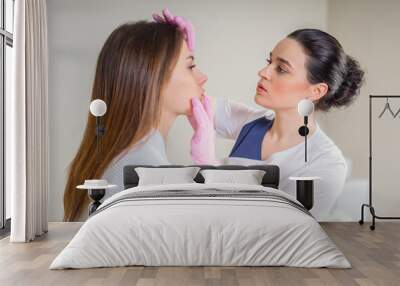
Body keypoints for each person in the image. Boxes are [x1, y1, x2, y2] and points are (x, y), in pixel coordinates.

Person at [189, 28, 364, 220]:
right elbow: (191, 99)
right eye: (269, 61)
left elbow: (276, 232)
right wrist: (183, 57)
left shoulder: (326, 165)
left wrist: (210, 167)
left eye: (281, 69)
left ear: (316, 91)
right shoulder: (252, 124)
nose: (263, 72)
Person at [63, 14, 207, 221]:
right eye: (190, 66)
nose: (202, 77)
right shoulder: (146, 170)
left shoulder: (117, 158)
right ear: (154, 77)